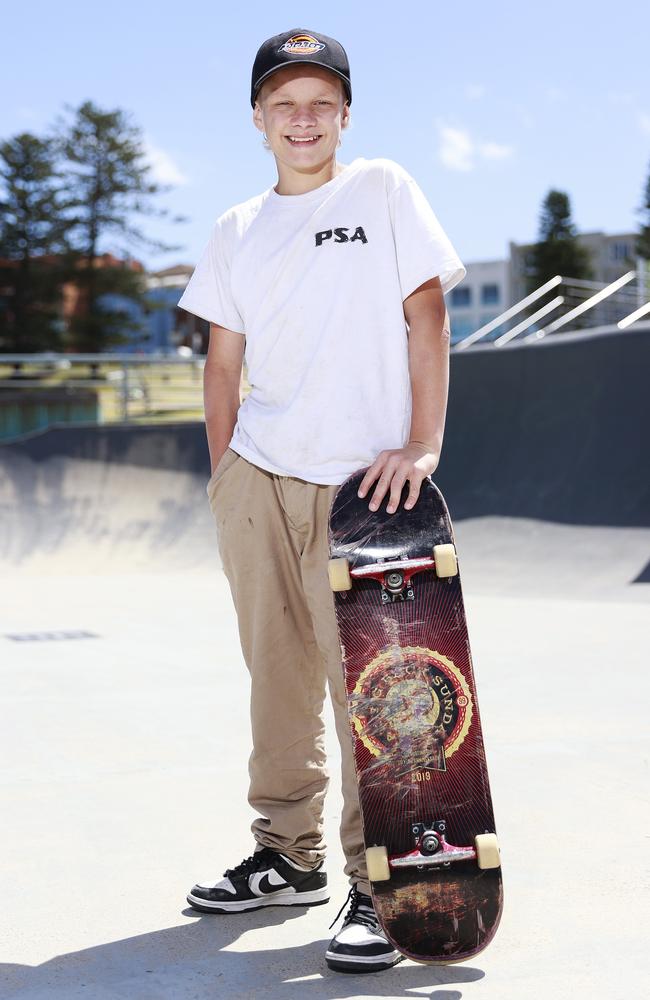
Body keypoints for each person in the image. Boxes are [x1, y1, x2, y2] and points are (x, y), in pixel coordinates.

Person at [178, 27, 466, 975]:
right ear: (257, 119)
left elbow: (428, 318)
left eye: (320, 103)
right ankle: (287, 854)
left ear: (344, 113)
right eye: (283, 104)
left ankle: (377, 882)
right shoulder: (235, 228)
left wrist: (423, 442)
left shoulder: (381, 189)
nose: (302, 120)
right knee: (278, 676)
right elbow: (224, 362)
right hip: (259, 475)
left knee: (371, 695)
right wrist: (227, 473)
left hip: (366, 490)